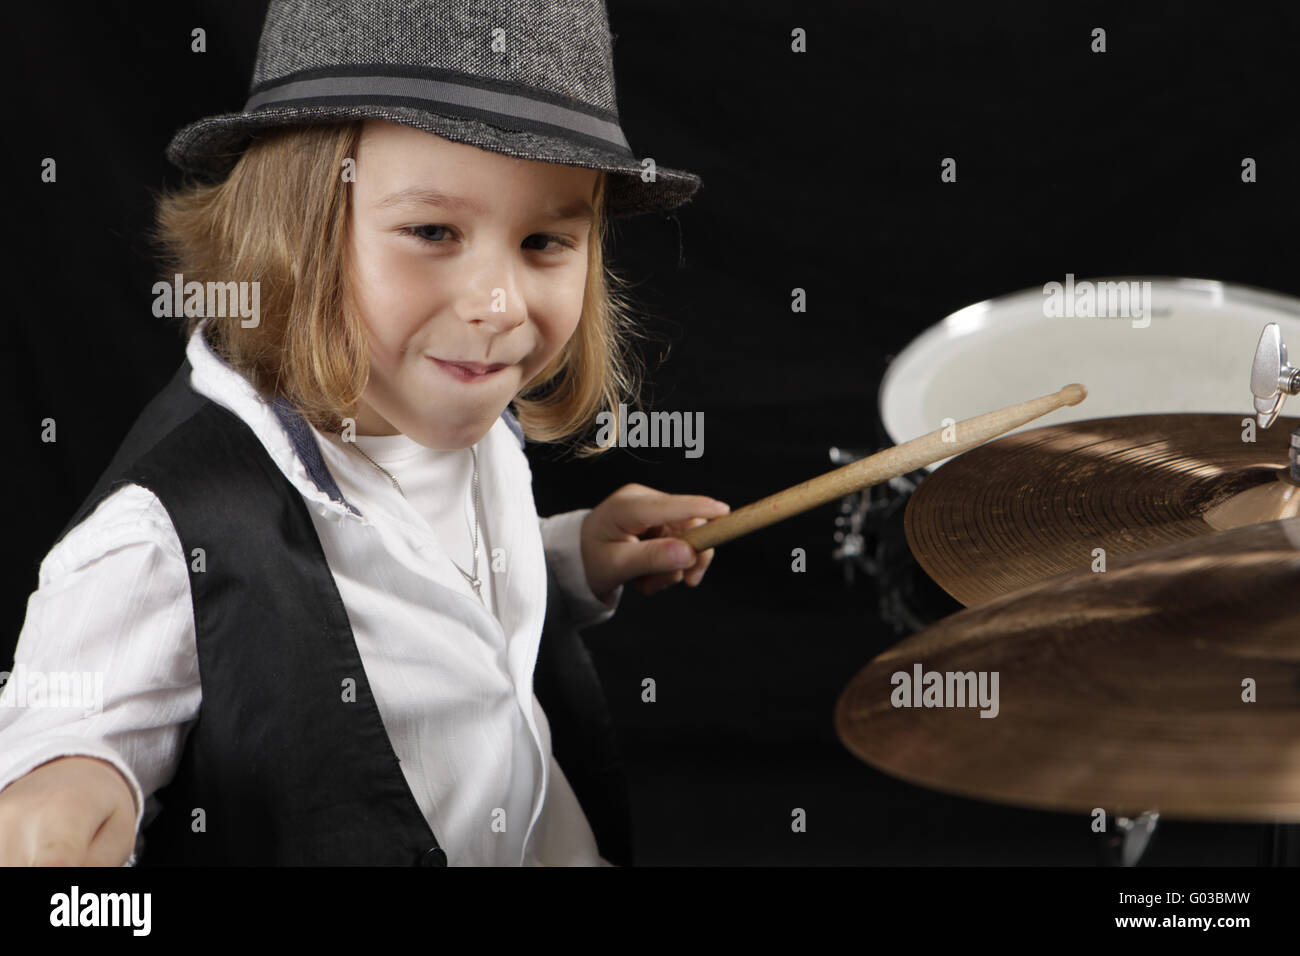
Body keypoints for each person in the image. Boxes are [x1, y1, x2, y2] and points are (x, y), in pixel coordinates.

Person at [0, 0, 726, 866]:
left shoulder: (450, 408)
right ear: (292, 227)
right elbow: (69, 727)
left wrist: (569, 558)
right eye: (431, 232)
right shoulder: (160, 538)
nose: (497, 307)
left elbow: (420, 593)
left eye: (543, 241)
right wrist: (73, 781)